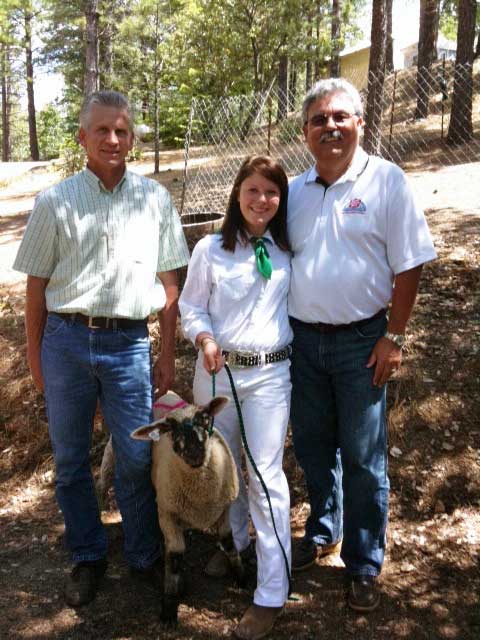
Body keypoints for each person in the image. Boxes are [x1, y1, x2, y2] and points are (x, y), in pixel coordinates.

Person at [13, 90, 189, 607]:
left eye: (122, 131)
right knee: (69, 461)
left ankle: (141, 555)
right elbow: (36, 286)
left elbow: (170, 282)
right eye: (102, 131)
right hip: (65, 342)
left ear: (131, 137)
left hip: (128, 343)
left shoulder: (154, 199)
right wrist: (34, 353)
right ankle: (88, 555)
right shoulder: (55, 201)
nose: (113, 139)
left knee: (135, 456)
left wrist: (165, 352)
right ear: (83, 138)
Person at [288, 78, 437, 612]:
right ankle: (322, 528)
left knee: (363, 455)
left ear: (359, 123)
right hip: (301, 343)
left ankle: (364, 562)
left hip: (361, 343)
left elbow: (410, 261)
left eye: (339, 117)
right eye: (318, 119)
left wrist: (393, 337)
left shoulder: (386, 181)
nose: (329, 126)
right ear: (305, 132)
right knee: (310, 443)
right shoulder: (293, 191)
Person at [179, 156, 292, 640]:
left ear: (280, 199)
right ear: (237, 193)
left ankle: (271, 591)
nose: (261, 200)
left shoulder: (289, 248)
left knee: (265, 477)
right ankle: (237, 548)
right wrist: (204, 338)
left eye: (271, 191)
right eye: (253, 189)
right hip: (217, 376)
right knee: (223, 469)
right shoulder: (210, 249)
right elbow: (190, 306)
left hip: (269, 378)